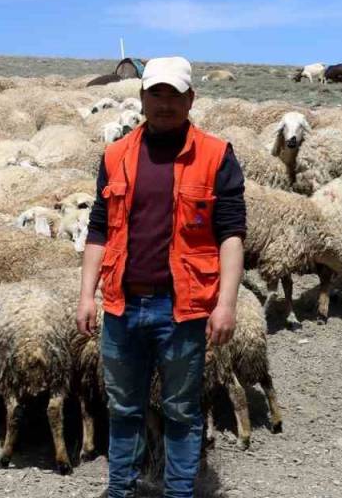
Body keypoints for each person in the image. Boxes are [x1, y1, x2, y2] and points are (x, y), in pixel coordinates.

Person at [77, 56, 247, 498]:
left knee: (181, 411)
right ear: (142, 97)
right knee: (124, 409)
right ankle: (121, 491)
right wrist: (86, 295)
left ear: (191, 99)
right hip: (121, 302)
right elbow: (99, 227)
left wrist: (226, 303)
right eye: (157, 93)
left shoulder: (215, 155)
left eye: (175, 94)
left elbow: (231, 233)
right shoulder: (116, 156)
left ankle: (178, 493)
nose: (165, 104)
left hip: (182, 306)